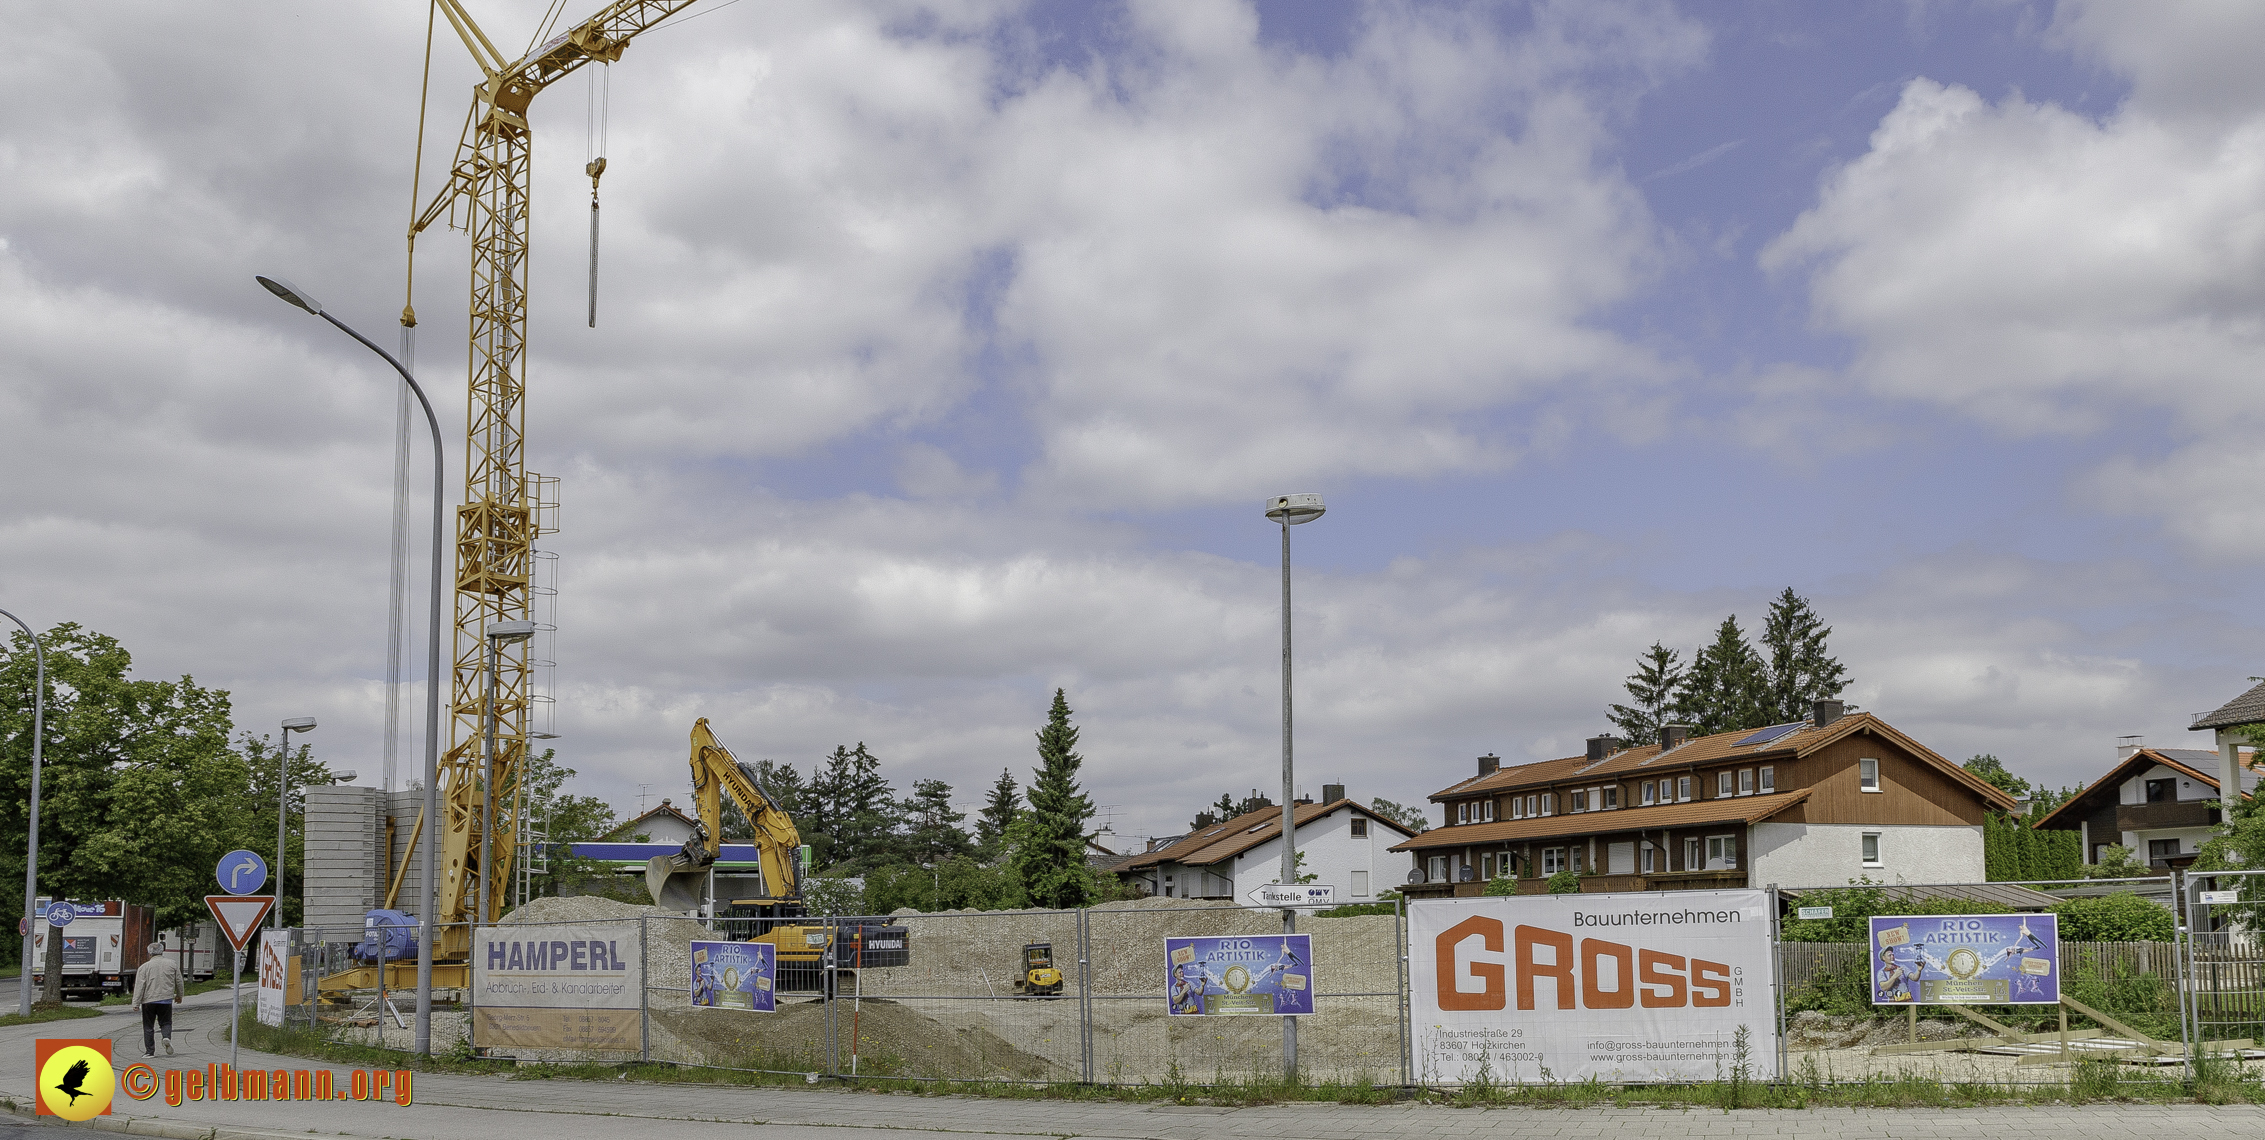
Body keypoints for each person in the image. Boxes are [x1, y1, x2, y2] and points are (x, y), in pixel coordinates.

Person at [131, 943, 185, 1058]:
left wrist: (136, 1003)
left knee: (148, 1026)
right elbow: (179, 981)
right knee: (166, 1022)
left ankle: (149, 1052)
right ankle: (166, 1037)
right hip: (166, 999)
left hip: (148, 1000)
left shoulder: (144, 967)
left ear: (149, 953)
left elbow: (139, 986)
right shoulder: (172, 964)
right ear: (162, 951)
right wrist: (179, 995)